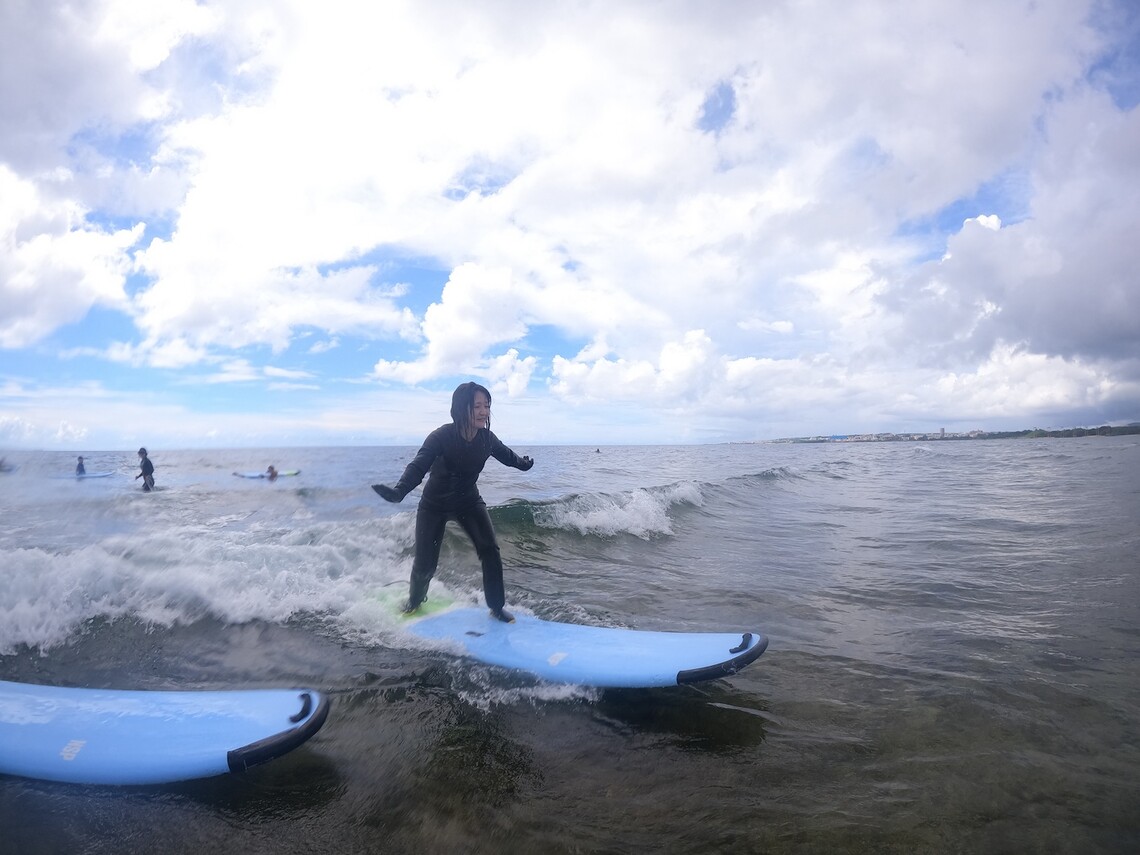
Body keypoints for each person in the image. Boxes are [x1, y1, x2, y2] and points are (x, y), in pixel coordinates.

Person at [373, 381, 534, 622]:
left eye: (487, 406)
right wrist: (399, 492)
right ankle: (414, 601)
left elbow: (507, 456)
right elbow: (418, 466)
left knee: (490, 550)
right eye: (477, 406)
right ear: (461, 408)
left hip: (469, 501)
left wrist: (524, 464)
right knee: (426, 563)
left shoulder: (487, 439)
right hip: (434, 505)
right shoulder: (441, 436)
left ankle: (496, 607)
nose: (483, 411)